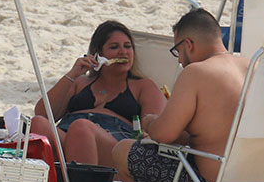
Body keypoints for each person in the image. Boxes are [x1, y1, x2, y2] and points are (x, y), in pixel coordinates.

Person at [111, 9, 250, 182]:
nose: (180, 61)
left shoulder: (196, 72)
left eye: (177, 51)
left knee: (123, 150)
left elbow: (163, 134)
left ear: (189, 44)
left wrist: (150, 122)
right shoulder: (254, 66)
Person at [31, 20, 166, 169]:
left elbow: (155, 129)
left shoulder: (143, 86)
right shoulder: (80, 82)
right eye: (114, 47)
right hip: (69, 137)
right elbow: (43, 113)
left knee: (81, 128)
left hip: (115, 144)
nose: (123, 52)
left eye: (128, 47)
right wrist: (72, 74)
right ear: (98, 53)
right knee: (38, 123)